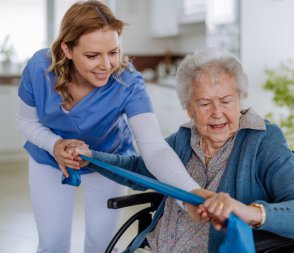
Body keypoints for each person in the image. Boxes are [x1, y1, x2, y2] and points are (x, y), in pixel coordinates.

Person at [73, 47, 294, 252]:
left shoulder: (263, 140)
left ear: (241, 98)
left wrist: (248, 212)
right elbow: (137, 169)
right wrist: (89, 157)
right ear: (188, 108)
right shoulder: (183, 138)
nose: (217, 113)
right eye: (204, 103)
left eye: (226, 101)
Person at [15, 1, 201, 252]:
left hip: (108, 161)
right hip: (47, 159)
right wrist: (55, 144)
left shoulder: (128, 82)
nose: (106, 65)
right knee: (51, 244)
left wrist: (190, 193)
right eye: (92, 55)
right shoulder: (39, 69)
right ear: (67, 49)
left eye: (113, 52)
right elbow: (26, 121)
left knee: (102, 245)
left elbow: (154, 146)